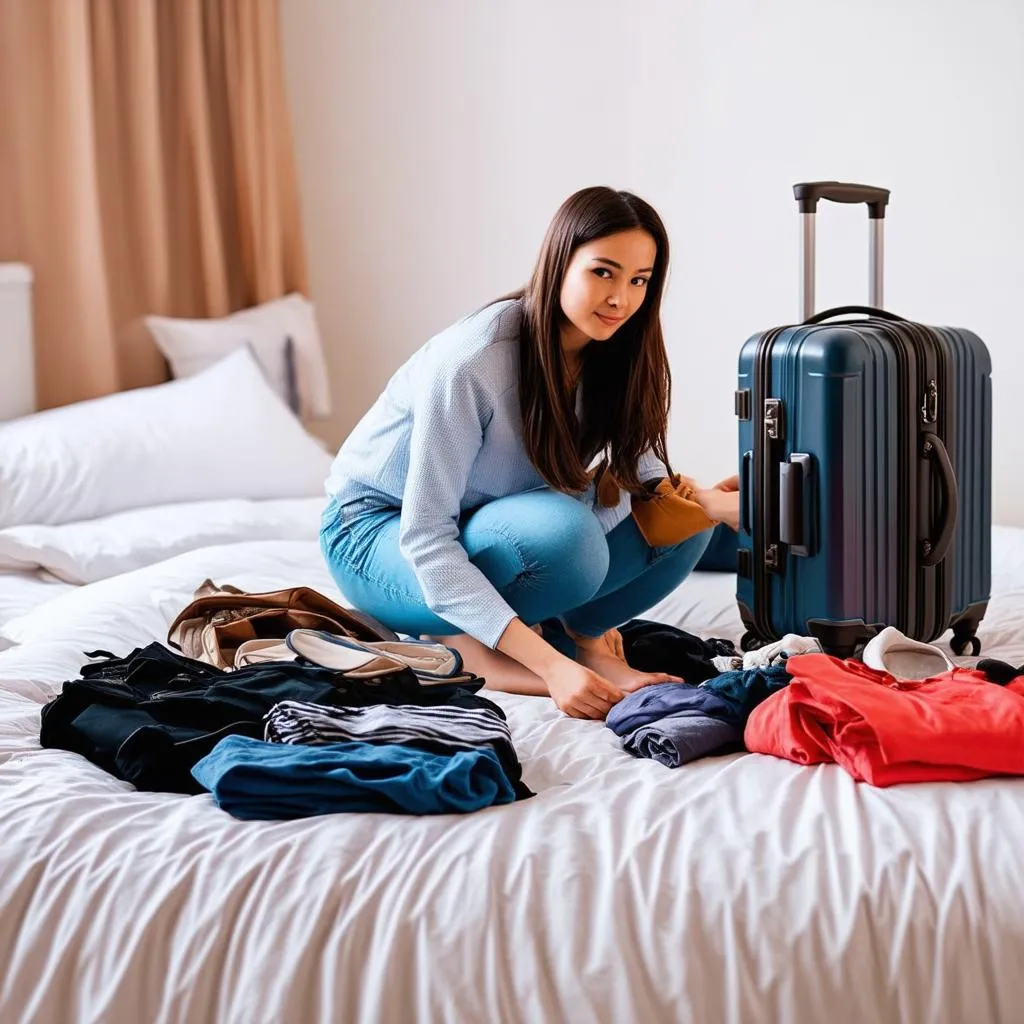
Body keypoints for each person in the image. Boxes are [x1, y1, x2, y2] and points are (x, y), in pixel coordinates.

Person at [321, 186, 740, 720]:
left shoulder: (617, 353)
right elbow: (426, 535)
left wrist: (716, 505)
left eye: (640, 281)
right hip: (376, 530)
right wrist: (550, 667)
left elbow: (644, 474)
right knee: (565, 535)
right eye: (603, 272)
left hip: (486, 523)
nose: (621, 299)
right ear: (559, 261)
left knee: (684, 524)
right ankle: (474, 646)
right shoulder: (474, 359)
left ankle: (587, 641)